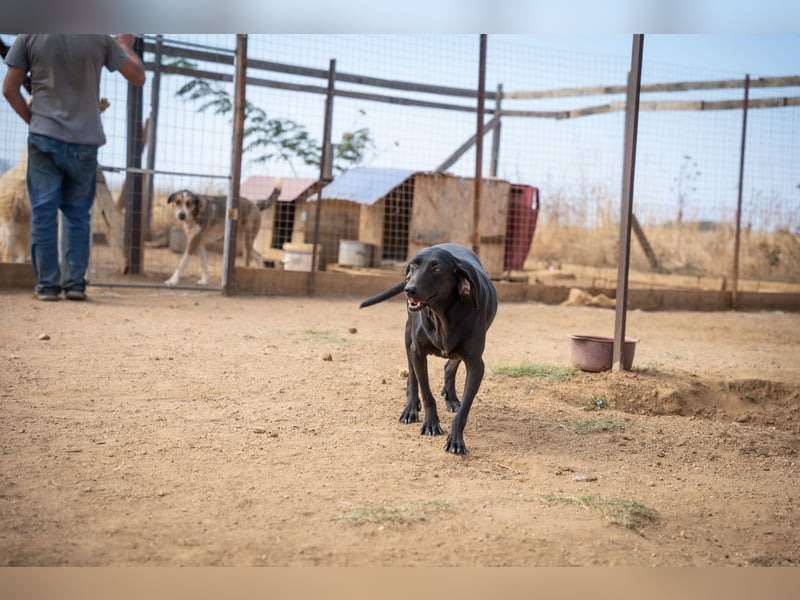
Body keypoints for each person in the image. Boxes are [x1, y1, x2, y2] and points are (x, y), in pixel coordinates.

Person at [3, 34, 145, 301]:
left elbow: (9, 89)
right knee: (78, 216)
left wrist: (33, 121)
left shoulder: (29, 35)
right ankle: (75, 286)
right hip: (84, 141)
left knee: (43, 214)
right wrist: (125, 45)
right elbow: (137, 76)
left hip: (44, 137)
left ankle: (46, 287)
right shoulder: (99, 37)